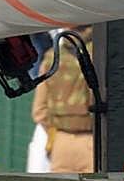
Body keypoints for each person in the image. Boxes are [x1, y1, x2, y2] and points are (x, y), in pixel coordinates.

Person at [31, 27, 95, 173]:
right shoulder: (101, 55)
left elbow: (39, 110)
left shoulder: (51, 57)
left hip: (61, 142)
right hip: (93, 141)